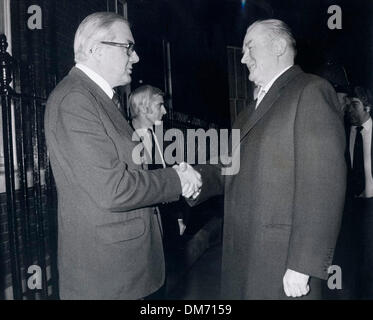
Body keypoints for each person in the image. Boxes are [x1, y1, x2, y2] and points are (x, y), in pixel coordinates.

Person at [44, 12, 201, 300]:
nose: (136, 56)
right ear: (96, 50)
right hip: (108, 279)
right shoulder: (75, 101)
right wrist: (176, 179)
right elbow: (113, 189)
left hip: (125, 271)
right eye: (127, 47)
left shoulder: (99, 99)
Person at [190, 19, 346, 299]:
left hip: (282, 261)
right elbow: (230, 166)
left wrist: (303, 264)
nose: (242, 57)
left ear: (278, 47)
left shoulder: (310, 91)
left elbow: (323, 185)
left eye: (250, 48)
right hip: (243, 255)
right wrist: (193, 179)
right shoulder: (248, 111)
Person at [129, 84, 187, 237]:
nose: (165, 111)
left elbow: (173, 175)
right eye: (159, 105)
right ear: (143, 107)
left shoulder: (165, 138)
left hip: (167, 218)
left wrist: (179, 217)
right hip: (141, 223)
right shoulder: (124, 136)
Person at [343, 86, 373, 299]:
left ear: (368, 107)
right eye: (348, 105)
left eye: (355, 105)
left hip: (372, 203)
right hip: (353, 205)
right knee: (354, 254)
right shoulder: (346, 132)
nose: (349, 110)